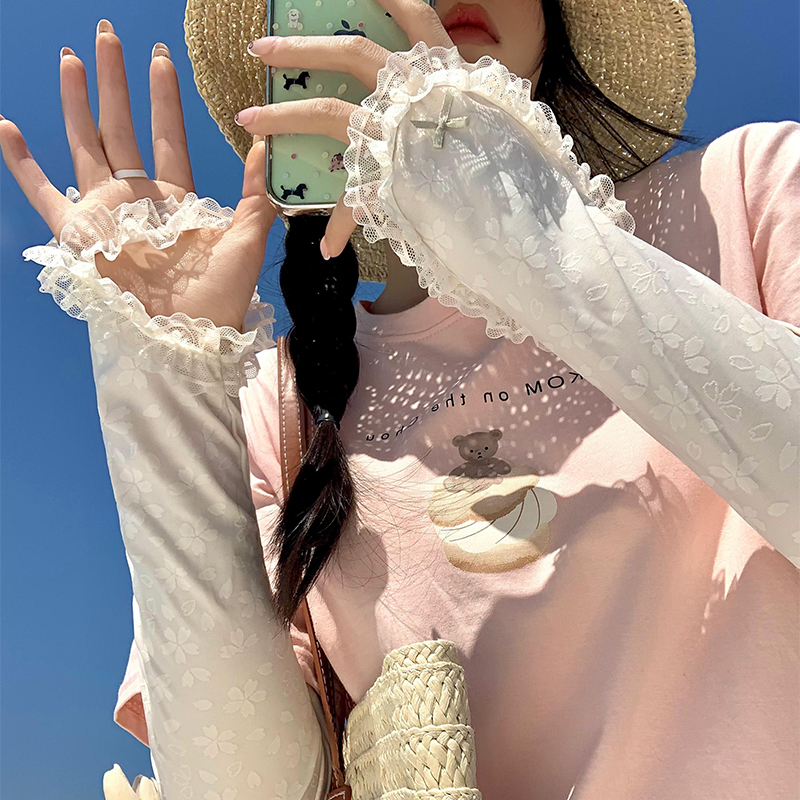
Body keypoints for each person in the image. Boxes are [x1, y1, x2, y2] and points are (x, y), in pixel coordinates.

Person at [1, 0, 798, 797]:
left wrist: (519, 223)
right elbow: (247, 786)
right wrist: (166, 381)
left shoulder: (747, 191)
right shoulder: (277, 400)